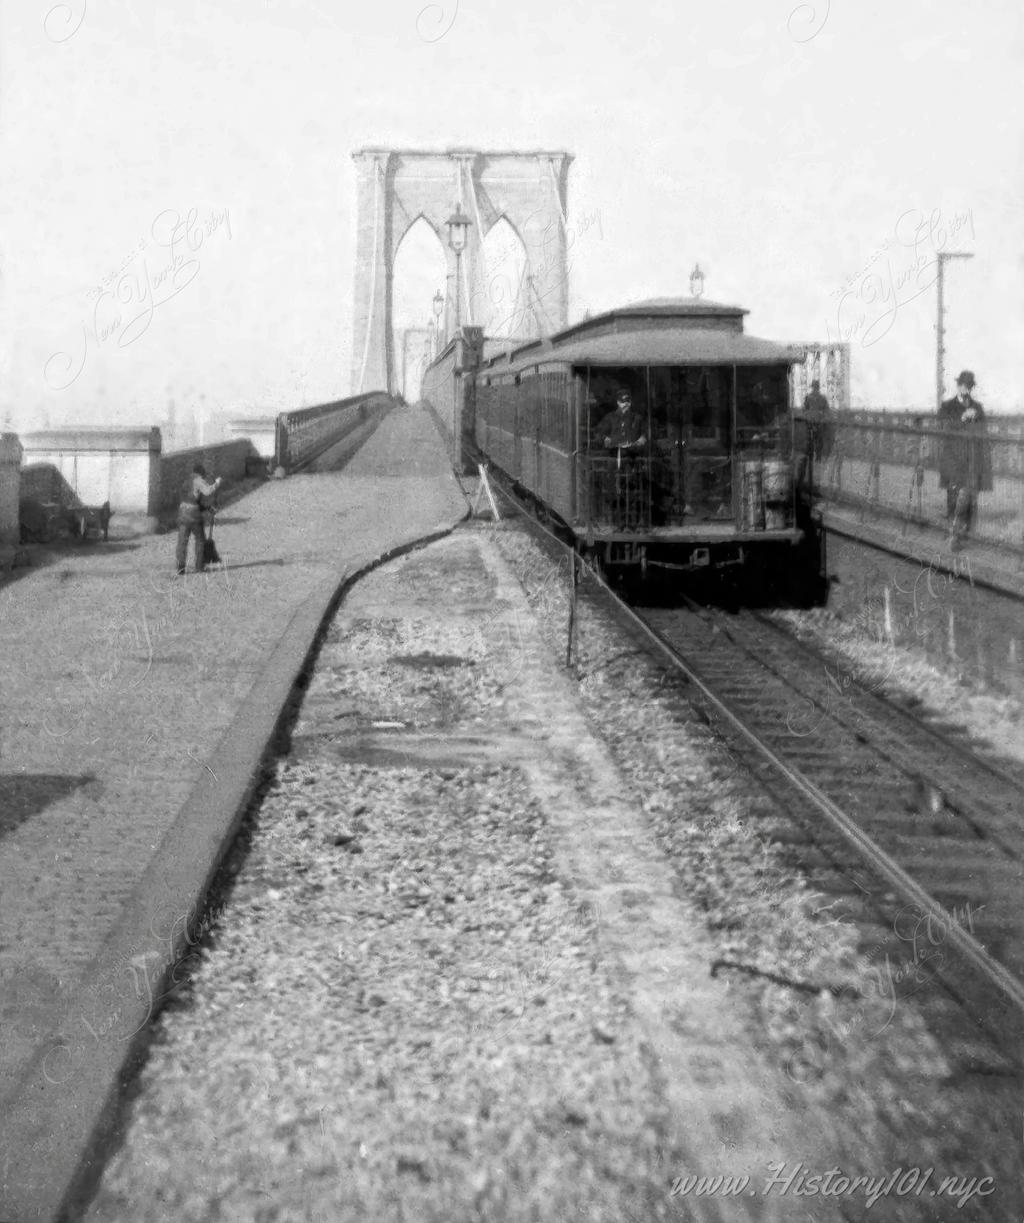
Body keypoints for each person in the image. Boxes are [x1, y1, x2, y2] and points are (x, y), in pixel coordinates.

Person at [937, 370, 992, 545]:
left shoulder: (978, 407)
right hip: (953, 456)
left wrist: (975, 419)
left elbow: (984, 430)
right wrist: (962, 418)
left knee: (969, 493)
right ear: (958, 385)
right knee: (953, 492)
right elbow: (942, 426)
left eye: (969, 386)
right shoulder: (947, 406)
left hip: (971, 457)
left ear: (971, 388)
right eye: (963, 385)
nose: (965, 389)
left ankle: (966, 531)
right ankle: (951, 529)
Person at [175, 463, 222, 574]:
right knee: (200, 541)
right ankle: (199, 566)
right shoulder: (198, 480)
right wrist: (217, 483)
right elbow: (208, 491)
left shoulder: (186, 481)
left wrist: (207, 508)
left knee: (182, 542)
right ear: (201, 473)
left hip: (182, 513)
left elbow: (191, 500)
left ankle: (180, 568)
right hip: (193, 515)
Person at [802, 379, 833, 462]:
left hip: (813, 422)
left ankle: (814, 456)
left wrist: (808, 416)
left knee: (812, 439)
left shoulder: (808, 397)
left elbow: (804, 410)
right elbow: (826, 410)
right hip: (817, 422)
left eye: (815, 387)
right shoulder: (821, 398)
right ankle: (817, 457)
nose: (815, 389)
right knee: (818, 440)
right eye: (815, 387)